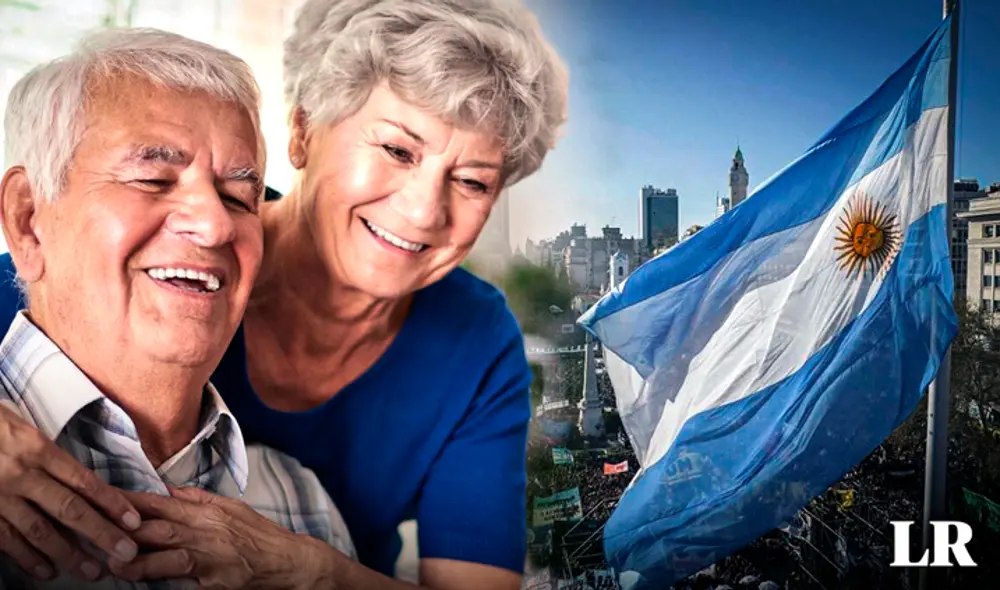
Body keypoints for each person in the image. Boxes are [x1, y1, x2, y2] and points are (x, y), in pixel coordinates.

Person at [0, 0, 568, 588]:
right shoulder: (89, 259)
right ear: (302, 133)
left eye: (472, 181)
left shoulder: (474, 340)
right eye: (397, 150)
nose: (424, 212)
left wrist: (313, 571)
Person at [0, 28, 354, 588]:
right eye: (153, 178)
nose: (215, 226)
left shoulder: (301, 508)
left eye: (239, 197)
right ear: (28, 220)